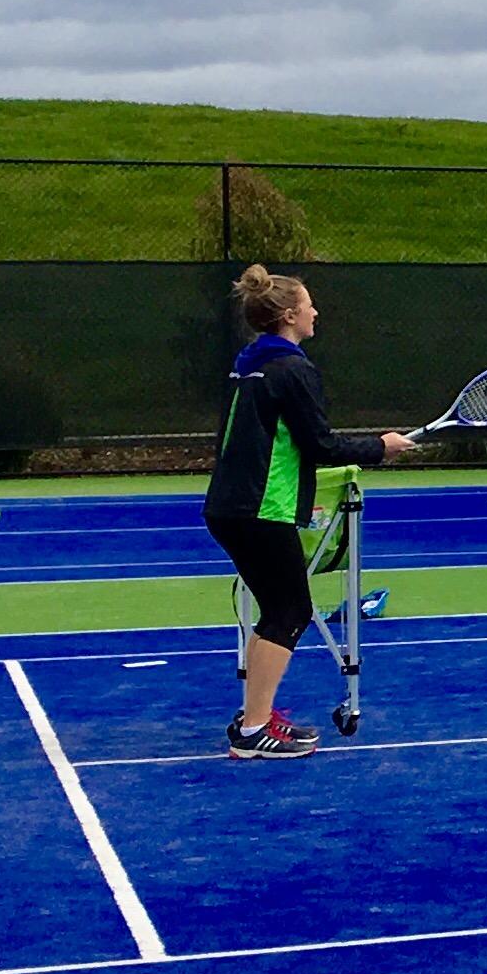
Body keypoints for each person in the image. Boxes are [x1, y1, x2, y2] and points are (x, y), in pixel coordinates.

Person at [204, 264, 413, 756]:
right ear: (291, 315)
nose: (317, 311)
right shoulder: (294, 369)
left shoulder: (249, 361)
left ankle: (254, 718)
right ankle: (256, 730)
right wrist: (379, 447)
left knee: (275, 610)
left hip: (229, 506)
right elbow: (320, 445)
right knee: (291, 610)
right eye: (310, 305)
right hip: (262, 508)